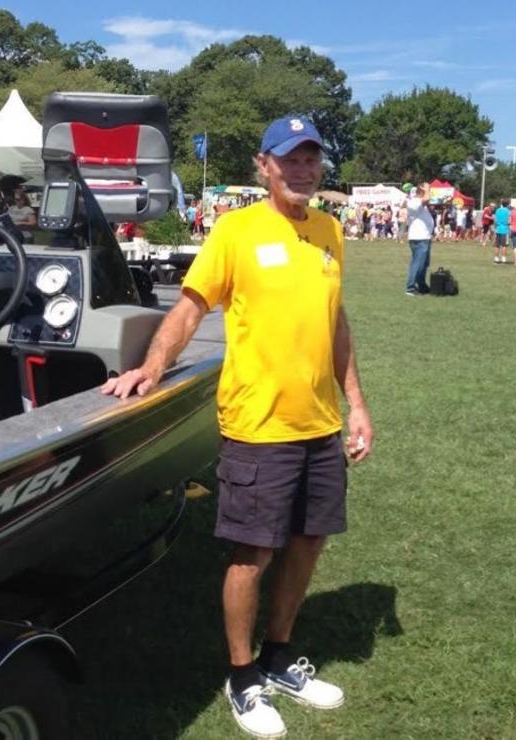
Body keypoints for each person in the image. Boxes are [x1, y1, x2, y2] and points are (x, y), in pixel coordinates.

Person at [101, 115, 374, 739]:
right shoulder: (236, 230)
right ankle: (243, 675)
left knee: (308, 542)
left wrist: (356, 404)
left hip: (320, 424)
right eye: (290, 159)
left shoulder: (331, 231)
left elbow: (335, 324)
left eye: (312, 159)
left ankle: (278, 658)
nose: (303, 170)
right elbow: (191, 306)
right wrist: (150, 366)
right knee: (254, 552)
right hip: (258, 422)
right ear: (264, 165)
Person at [405, 183, 434, 295]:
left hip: (424, 237)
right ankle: (410, 288)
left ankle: (421, 286)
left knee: (424, 264)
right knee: (417, 263)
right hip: (419, 238)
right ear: (421, 191)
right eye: (428, 189)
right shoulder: (414, 201)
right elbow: (427, 198)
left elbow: (428, 201)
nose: (429, 191)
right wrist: (427, 190)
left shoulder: (419, 203)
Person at [493, 198, 510, 263]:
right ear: (508, 204)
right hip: (505, 230)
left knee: (497, 245)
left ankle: (496, 258)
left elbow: (495, 221)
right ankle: (503, 258)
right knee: (504, 245)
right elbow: (509, 221)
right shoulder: (508, 211)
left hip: (498, 229)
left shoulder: (497, 210)